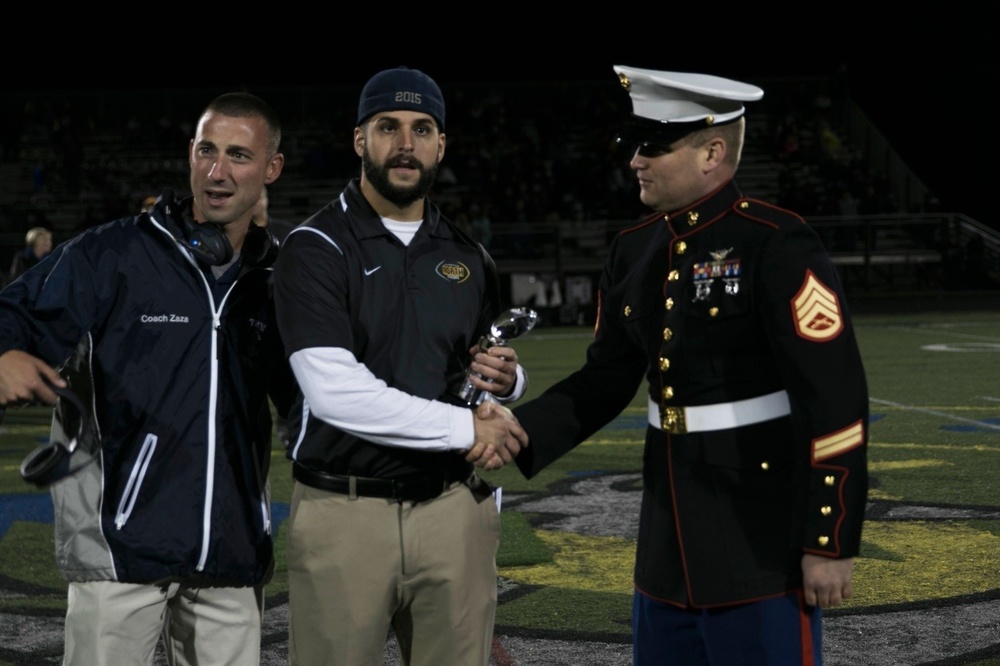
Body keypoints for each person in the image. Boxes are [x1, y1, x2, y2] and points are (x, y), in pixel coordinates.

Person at [511, 66, 870, 665]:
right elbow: (605, 379)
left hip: (762, 543)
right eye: (636, 145)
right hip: (665, 541)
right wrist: (515, 434)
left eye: (655, 145)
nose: (635, 161)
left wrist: (828, 543)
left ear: (713, 152)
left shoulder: (776, 242)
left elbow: (832, 398)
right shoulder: (634, 247)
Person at [0, 91, 294, 665]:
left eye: (238, 155)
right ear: (189, 154)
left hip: (231, 554)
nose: (217, 170)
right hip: (119, 549)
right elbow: (13, 313)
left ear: (271, 169)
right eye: (207, 150)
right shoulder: (115, 253)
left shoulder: (277, 279)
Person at [272, 66, 529, 666]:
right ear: (360, 139)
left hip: (452, 510)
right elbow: (334, 390)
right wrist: (469, 429)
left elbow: (477, 374)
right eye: (388, 126)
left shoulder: (470, 255)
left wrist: (507, 380)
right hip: (345, 512)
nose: (406, 144)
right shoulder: (314, 247)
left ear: (442, 145)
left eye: (423, 128)